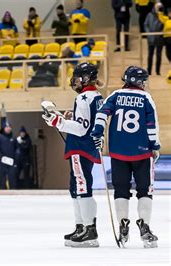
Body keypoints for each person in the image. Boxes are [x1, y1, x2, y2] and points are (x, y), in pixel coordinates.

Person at [91, 66, 160, 248]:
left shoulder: (115, 95)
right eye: (143, 80)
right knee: (145, 190)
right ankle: (144, 226)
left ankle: (123, 223)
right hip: (141, 152)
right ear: (138, 81)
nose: (145, 83)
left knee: (121, 191)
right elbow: (152, 124)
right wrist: (155, 145)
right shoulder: (146, 98)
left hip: (118, 153)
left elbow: (101, 113)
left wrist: (97, 132)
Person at [42, 62, 103, 247]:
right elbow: (89, 122)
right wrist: (69, 118)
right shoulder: (96, 96)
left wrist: (58, 121)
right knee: (76, 187)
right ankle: (82, 227)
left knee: (82, 186)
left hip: (80, 147)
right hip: (86, 147)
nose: (74, 81)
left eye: (77, 78)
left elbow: (82, 128)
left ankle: (89, 231)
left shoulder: (84, 98)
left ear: (85, 79)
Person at [145, 2, 164, 75]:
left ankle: (157, 71)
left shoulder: (162, 16)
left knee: (158, 55)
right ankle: (149, 71)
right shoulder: (149, 15)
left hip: (159, 38)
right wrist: (148, 34)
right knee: (150, 55)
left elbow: (165, 24)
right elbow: (146, 24)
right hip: (151, 38)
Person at [0, 123, 15, 189]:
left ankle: (12, 192)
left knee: (12, 177)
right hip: (2, 161)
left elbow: (16, 148)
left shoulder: (13, 138)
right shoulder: (0, 137)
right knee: (0, 177)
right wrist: (1, 155)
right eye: (7, 127)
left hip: (11, 162)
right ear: (4, 128)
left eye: (10, 127)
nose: (9, 128)